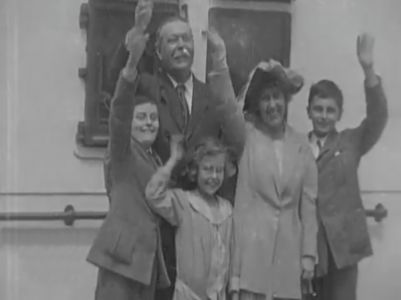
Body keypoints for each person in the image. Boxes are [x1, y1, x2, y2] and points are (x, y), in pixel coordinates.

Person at [118, 2, 244, 299]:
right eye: (172, 40)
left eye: (186, 39)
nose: (181, 46)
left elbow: (234, 144)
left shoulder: (212, 94)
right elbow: (119, 83)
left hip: (201, 220)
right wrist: (137, 33)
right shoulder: (146, 86)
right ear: (158, 52)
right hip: (159, 215)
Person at [86, 2, 169, 299]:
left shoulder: (155, 157)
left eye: (153, 118)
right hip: (120, 259)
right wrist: (132, 62)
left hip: (146, 264)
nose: (149, 123)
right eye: (142, 118)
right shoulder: (122, 150)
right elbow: (120, 110)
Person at [307, 33, 388, 300]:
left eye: (330, 110)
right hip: (308, 249)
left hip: (343, 249)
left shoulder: (351, 141)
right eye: (318, 109)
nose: (323, 116)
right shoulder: (295, 146)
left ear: (339, 114)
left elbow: (378, 116)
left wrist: (368, 70)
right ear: (308, 111)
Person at [229, 61, 318, 300]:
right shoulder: (247, 136)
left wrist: (308, 255)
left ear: (286, 101)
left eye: (277, 97)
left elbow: (309, 206)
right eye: (265, 98)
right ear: (257, 104)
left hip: (288, 258)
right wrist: (256, 74)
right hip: (251, 256)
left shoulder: (302, 146)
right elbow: (231, 113)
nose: (272, 105)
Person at [145, 136, 235, 300]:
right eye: (207, 169)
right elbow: (153, 195)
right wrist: (173, 160)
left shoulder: (227, 210)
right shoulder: (183, 202)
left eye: (219, 170)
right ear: (196, 170)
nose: (213, 176)